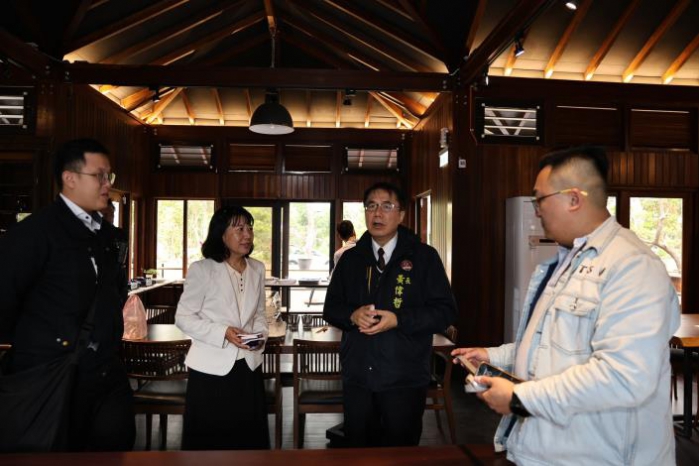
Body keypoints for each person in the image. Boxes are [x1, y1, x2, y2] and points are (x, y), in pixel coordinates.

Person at [452, 146, 680, 466]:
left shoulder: (632, 266)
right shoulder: (568, 260)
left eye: (540, 199)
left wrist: (519, 398)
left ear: (573, 199)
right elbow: (555, 345)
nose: (537, 211)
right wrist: (495, 356)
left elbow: (624, 376)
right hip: (550, 451)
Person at [0, 138, 134, 451]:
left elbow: (113, 292)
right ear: (69, 178)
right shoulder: (34, 233)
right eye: (99, 176)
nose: (107, 184)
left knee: (115, 448)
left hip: (106, 370)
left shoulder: (109, 236)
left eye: (109, 176)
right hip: (52, 372)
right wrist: (46, 342)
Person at [323, 182, 457, 447]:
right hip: (358, 378)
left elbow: (445, 312)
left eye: (387, 206)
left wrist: (399, 319)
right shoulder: (350, 259)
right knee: (358, 452)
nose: (377, 213)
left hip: (404, 378)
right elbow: (331, 308)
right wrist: (352, 315)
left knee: (400, 453)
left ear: (401, 214)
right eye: (371, 206)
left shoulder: (424, 258)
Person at [176, 205, 270, 450]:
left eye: (249, 228)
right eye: (239, 229)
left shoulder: (257, 268)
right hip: (210, 371)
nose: (247, 235)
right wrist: (223, 332)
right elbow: (184, 317)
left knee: (247, 444)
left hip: (248, 366)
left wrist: (260, 336)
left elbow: (260, 313)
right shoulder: (202, 269)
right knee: (210, 446)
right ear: (221, 234)